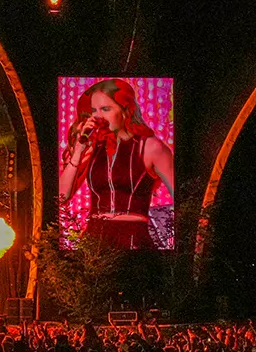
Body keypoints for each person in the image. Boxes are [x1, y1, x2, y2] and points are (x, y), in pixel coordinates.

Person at [59, 78, 174, 250]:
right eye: (94, 110)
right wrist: (78, 150)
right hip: (94, 240)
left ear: (126, 110)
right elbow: (61, 197)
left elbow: (183, 199)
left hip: (133, 240)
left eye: (106, 109)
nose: (98, 116)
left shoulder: (151, 147)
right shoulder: (93, 148)